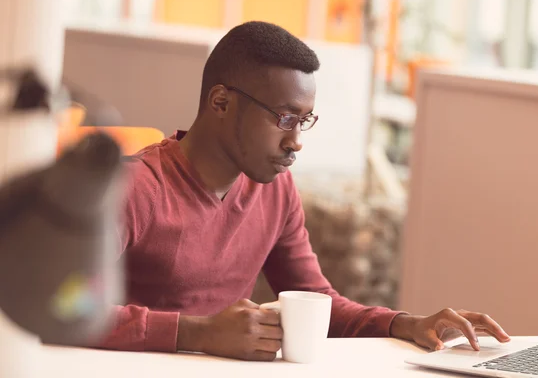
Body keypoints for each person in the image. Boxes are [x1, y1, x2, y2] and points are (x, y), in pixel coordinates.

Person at [98, 21, 511, 361]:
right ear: (221, 103)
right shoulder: (133, 188)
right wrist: (197, 333)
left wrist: (405, 323)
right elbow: (60, 308)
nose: (295, 141)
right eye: (283, 118)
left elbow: (316, 301)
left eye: (304, 121)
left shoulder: (275, 190)